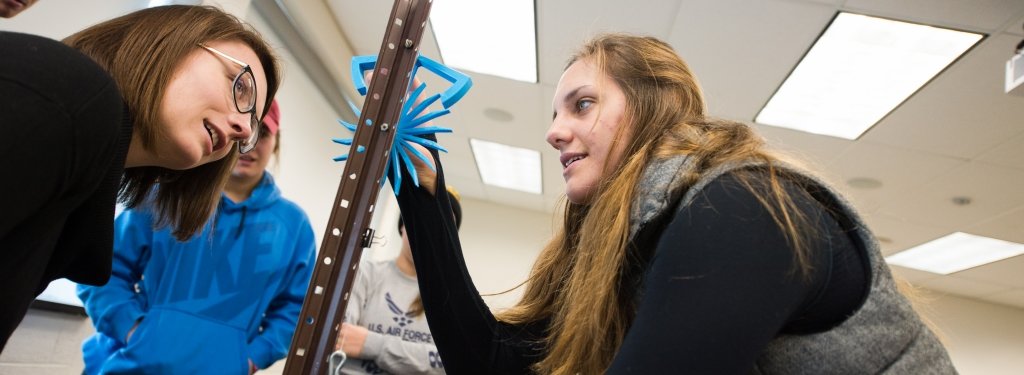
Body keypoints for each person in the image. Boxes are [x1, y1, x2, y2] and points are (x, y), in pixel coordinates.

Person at [392, 33, 956, 374]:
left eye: (582, 105)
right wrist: (424, 194)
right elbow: (497, 362)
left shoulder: (739, 209)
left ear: (652, 108)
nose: (555, 132)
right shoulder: (620, 243)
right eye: (555, 114)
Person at [0, 5, 280, 351]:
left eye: (252, 125)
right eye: (241, 89)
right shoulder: (75, 95)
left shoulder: (86, 178)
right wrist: (136, 333)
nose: (242, 128)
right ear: (171, 42)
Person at [77, 99, 316, 375]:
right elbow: (100, 269)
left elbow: (295, 309)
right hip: (130, 367)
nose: (249, 144)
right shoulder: (164, 197)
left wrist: (250, 358)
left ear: (276, 143)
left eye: (262, 134)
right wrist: (133, 330)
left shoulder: (294, 226)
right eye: (245, 132)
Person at [330, 187, 462, 375]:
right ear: (402, 225)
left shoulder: (453, 296)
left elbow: (450, 363)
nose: (428, 232)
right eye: (420, 218)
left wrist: (372, 344)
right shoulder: (366, 274)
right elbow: (341, 340)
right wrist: (415, 358)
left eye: (440, 226)